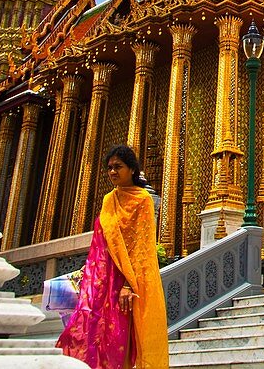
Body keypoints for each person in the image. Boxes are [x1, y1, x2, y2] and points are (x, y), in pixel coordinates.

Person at [57, 145, 169, 368]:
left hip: (125, 280)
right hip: (102, 278)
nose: (112, 172)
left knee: (118, 336)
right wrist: (88, 272)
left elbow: (142, 246)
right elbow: (101, 244)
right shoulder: (109, 199)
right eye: (109, 168)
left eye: (118, 167)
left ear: (132, 170)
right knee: (94, 332)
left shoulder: (143, 200)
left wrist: (129, 284)